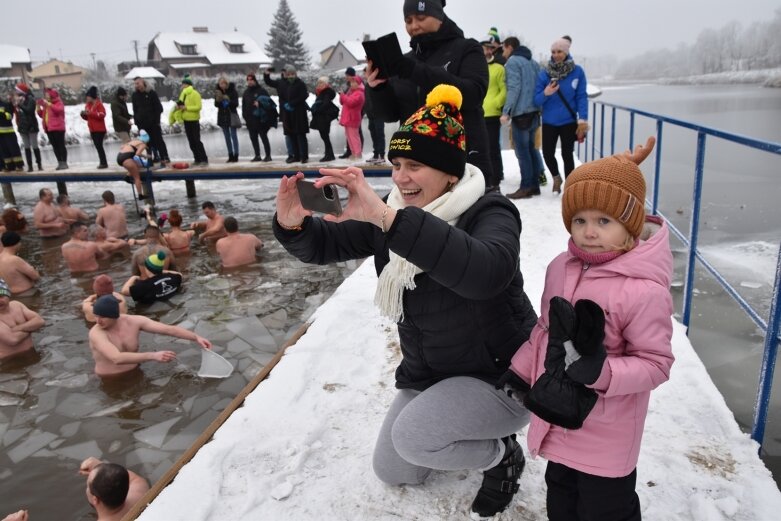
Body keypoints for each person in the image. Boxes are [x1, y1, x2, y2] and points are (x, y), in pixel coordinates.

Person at [273, 84, 537, 518]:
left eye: (415, 165)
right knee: (395, 469)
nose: (400, 178)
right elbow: (324, 245)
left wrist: (385, 217)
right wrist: (292, 225)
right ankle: (456, 430)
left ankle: (500, 455)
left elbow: (485, 273)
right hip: (433, 372)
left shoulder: (491, 212)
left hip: (501, 378)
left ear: (451, 172)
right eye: (396, 164)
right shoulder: (394, 213)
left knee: (415, 439)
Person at [501, 138, 673, 521]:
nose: (589, 231)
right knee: (561, 500)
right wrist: (520, 369)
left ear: (629, 225)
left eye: (603, 221)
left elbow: (656, 363)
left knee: (605, 509)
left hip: (607, 433)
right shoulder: (561, 267)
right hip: (556, 416)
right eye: (580, 220)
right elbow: (545, 329)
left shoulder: (644, 291)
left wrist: (604, 371)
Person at [365, 0, 492, 187]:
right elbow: (390, 115)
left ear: (439, 16)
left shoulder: (467, 49)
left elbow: (473, 94)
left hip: (463, 160)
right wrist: (378, 88)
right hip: (415, 165)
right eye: (408, 21)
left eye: (421, 18)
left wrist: (414, 71)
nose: (414, 25)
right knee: (413, 216)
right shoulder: (405, 62)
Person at [89, 293, 209, 374]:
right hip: (110, 379)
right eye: (96, 316)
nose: (98, 321)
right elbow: (117, 358)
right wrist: (153, 356)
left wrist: (196, 337)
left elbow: (168, 329)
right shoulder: (97, 333)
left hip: (136, 371)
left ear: (114, 315)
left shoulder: (133, 321)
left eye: (103, 317)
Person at [533, 37, 589, 193]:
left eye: (559, 52)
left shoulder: (577, 72)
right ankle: (556, 177)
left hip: (568, 121)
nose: (556, 55)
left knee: (567, 154)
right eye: (553, 52)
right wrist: (546, 92)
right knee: (548, 153)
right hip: (550, 121)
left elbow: (581, 96)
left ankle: (570, 187)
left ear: (566, 52)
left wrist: (583, 119)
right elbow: (536, 100)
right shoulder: (545, 73)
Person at [502, 36, 545, 199]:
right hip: (534, 113)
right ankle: (535, 186)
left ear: (510, 47)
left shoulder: (513, 62)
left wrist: (506, 111)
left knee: (523, 151)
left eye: (504, 48)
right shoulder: (533, 62)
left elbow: (514, 87)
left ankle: (526, 186)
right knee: (532, 149)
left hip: (520, 114)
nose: (503, 52)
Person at [80, 456, 149, 521]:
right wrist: (101, 466)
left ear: (95, 499)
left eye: (88, 486)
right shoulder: (140, 492)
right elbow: (132, 479)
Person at [264, 64, 309, 163]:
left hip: (299, 113)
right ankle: (295, 156)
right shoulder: (284, 83)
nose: (290, 76)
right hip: (288, 114)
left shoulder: (300, 83)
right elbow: (270, 83)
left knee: (300, 135)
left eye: (292, 74)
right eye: (288, 74)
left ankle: (304, 156)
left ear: (295, 74)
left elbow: (303, 95)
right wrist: (266, 74)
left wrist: (292, 103)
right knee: (291, 135)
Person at [480, 38, 506, 191]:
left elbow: (503, 89)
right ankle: (483, 178)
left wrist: (496, 103)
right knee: (480, 147)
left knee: (493, 147)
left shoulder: (498, 68)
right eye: (485, 48)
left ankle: (495, 179)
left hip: (492, 114)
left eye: (490, 48)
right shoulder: (475, 66)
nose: (488, 51)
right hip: (478, 112)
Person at [0, 277, 44, 360]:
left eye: (1, 296)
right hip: (9, 360)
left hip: (31, 352)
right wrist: (31, 327)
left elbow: (40, 321)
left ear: (8, 294)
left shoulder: (17, 305)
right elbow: (13, 339)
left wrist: (18, 328)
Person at [131, 77, 169, 167]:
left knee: (158, 141)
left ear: (143, 83)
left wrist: (156, 120)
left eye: (138, 83)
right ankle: (150, 160)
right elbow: (135, 109)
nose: (137, 85)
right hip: (142, 125)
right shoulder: (135, 95)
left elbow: (159, 108)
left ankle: (164, 158)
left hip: (153, 123)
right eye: (135, 84)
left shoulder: (151, 93)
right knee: (146, 144)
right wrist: (137, 121)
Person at [177, 74, 208, 166]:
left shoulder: (195, 94)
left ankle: (204, 159)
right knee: (191, 141)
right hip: (186, 119)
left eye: (183, 84)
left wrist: (186, 108)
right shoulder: (183, 94)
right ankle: (197, 158)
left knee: (197, 140)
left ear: (187, 85)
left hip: (194, 120)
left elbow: (198, 107)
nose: (182, 86)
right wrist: (178, 107)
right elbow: (181, 103)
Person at [242, 73, 274, 162]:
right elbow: (244, 106)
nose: (249, 82)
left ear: (255, 80)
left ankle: (268, 155)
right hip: (250, 121)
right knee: (253, 138)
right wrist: (245, 117)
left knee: (263, 137)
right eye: (248, 80)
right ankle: (257, 155)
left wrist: (260, 104)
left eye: (251, 80)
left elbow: (269, 104)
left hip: (261, 120)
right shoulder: (246, 92)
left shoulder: (261, 91)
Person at [36, 88, 68, 170]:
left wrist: (49, 104)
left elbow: (59, 110)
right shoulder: (47, 105)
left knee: (61, 145)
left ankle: (64, 162)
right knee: (55, 146)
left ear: (52, 95)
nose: (46, 96)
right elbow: (41, 115)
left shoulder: (58, 103)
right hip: (49, 128)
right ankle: (59, 162)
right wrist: (38, 106)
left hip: (58, 128)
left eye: (47, 95)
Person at [14, 83, 43, 172]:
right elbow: (18, 114)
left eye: (18, 90)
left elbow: (29, 111)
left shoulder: (30, 99)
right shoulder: (18, 100)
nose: (16, 92)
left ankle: (39, 164)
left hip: (31, 126)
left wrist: (19, 105)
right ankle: (30, 166)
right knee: (26, 147)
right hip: (22, 126)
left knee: (34, 146)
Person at [309, 77, 338, 162]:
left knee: (325, 137)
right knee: (325, 137)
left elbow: (325, 104)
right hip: (322, 117)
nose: (319, 85)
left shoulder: (326, 92)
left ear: (326, 84)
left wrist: (317, 109)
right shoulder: (321, 92)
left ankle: (329, 155)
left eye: (322, 83)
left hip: (324, 118)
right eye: (319, 83)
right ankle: (329, 154)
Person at [116, 131, 151, 198]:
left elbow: (122, 147)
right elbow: (137, 154)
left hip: (119, 157)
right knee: (137, 178)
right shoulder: (143, 144)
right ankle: (140, 195)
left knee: (136, 166)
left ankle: (127, 177)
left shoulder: (134, 141)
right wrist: (146, 156)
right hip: (127, 159)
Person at [339, 72, 365, 161]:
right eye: (351, 82)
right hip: (347, 118)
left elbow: (351, 102)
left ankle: (358, 154)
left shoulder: (360, 93)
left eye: (354, 82)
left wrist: (343, 96)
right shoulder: (351, 92)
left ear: (359, 84)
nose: (352, 84)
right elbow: (343, 102)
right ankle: (353, 153)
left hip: (353, 118)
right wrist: (342, 95)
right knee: (349, 137)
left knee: (354, 137)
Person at [81, 86, 108, 169]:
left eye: (88, 97)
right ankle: (102, 162)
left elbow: (102, 115)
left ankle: (103, 162)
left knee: (99, 145)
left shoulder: (99, 104)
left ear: (92, 97)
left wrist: (90, 113)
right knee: (97, 146)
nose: (87, 98)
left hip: (100, 129)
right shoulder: (87, 105)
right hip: (92, 129)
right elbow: (88, 117)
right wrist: (83, 115)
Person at [215, 77, 240, 162]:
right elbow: (216, 104)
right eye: (220, 84)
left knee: (233, 136)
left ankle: (236, 155)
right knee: (227, 137)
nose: (222, 85)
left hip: (231, 115)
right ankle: (230, 155)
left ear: (227, 84)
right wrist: (219, 100)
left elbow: (236, 104)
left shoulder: (233, 91)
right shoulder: (218, 92)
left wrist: (228, 101)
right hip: (222, 116)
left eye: (223, 83)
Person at [0, 95, 24, 172]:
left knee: (13, 149)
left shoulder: (5, 104)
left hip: (8, 131)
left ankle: (19, 165)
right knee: (4, 150)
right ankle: (9, 166)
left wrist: (2, 114)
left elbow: (10, 116)